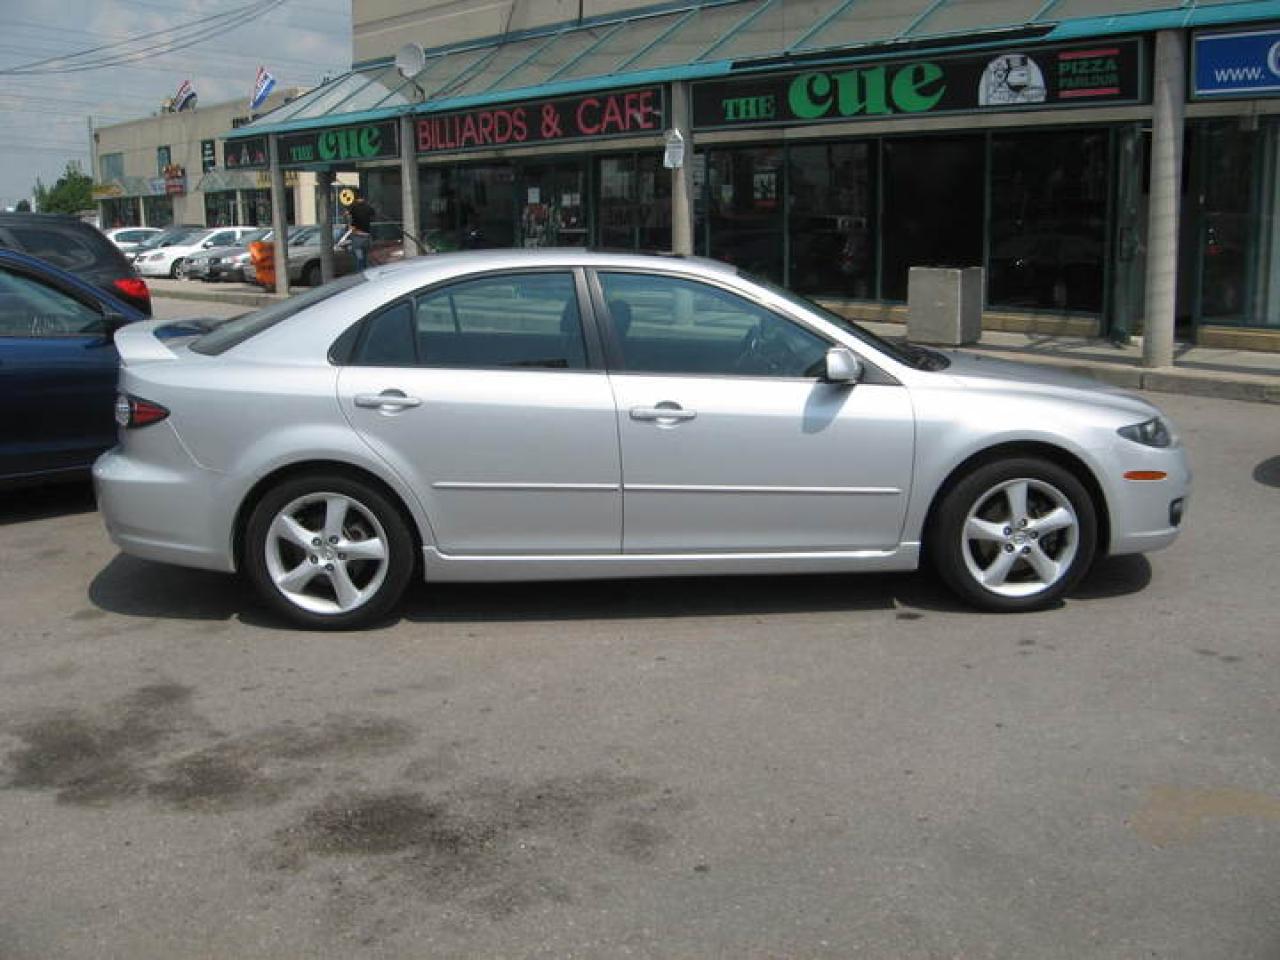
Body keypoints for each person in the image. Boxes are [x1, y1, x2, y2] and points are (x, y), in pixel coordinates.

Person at [342, 192, 375, 270]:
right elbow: (373, 213)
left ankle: (360, 272)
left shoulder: (353, 207)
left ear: (357, 199)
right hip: (366, 235)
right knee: (365, 256)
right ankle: (366, 271)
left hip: (357, 235)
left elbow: (346, 215)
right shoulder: (368, 207)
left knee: (359, 257)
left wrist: (347, 213)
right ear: (364, 199)